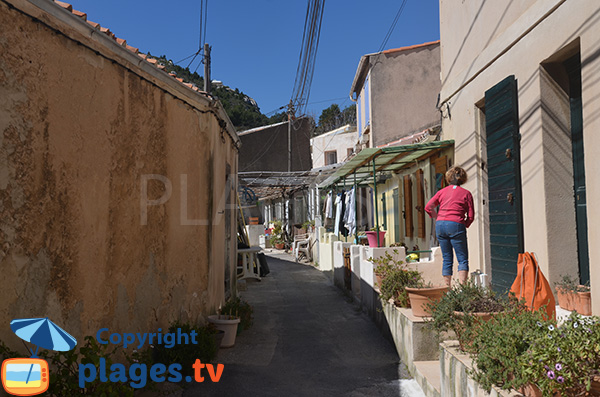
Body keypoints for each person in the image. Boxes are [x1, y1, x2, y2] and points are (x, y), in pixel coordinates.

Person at [425, 166, 474, 287]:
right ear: (463, 179)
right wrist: (464, 224)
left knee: (447, 258)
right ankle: (463, 290)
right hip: (456, 224)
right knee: (462, 259)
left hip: (440, 225)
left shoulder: (441, 192)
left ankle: (447, 289)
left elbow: (428, 207)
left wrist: (437, 217)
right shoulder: (466, 194)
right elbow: (471, 216)